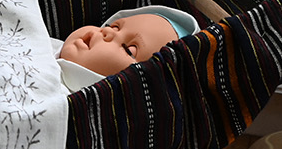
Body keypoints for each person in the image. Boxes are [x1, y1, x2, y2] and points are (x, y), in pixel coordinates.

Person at [55, 5, 199, 92]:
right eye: (114, 26)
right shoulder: (47, 42)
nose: (107, 32)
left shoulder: (66, 108)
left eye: (128, 50)